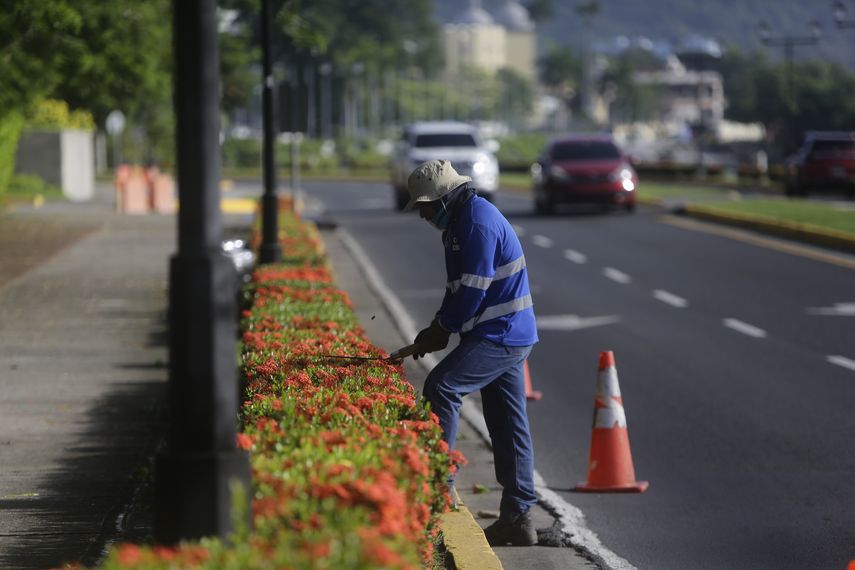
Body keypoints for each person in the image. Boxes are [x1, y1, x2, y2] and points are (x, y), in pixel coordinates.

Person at [404, 159, 539, 546]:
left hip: (502, 334)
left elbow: (472, 292)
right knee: (507, 423)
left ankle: (440, 488)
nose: (423, 215)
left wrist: (442, 330)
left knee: (442, 387)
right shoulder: (459, 225)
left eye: (426, 207)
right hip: (497, 332)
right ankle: (518, 517)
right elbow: (456, 290)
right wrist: (436, 327)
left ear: (444, 199)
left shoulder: (477, 223)